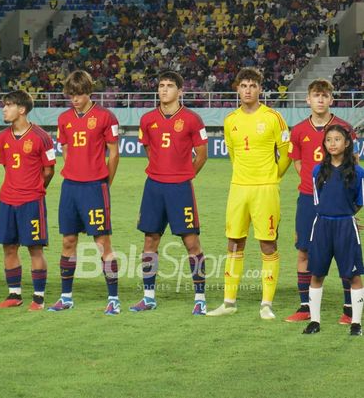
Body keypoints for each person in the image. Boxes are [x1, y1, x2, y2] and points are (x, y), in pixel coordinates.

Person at [207, 68, 291, 319]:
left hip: (265, 189)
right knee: (233, 242)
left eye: (253, 85)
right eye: (243, 85)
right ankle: (229, 302)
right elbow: (233, 155)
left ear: (260, 89)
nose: (248, 90)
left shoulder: (274, 117)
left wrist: (273, 176)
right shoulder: (230, 119)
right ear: (237, 88)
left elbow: (286, 152)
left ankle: (266, 304)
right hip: (238, 189)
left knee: (267, 243)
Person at [131, 71, 209, 315]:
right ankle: (148, 296)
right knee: (150, 240)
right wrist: (160, 171)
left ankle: (200, 298)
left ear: (180, 91)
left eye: (169, 86)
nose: (164, 90)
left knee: (191, 242)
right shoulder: (147, 119)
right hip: (154, 186)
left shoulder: (192, 119)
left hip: (180, 188)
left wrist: (184, 175)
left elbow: (202, 154)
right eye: (161, 86)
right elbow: (149, 150)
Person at [49, 70, 121, 315]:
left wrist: (104, 183)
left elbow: (114, 154)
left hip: (94, 187)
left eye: (79, 94)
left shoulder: (105, 117)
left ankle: (113, 298)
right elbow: (66, 151)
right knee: (68, 241)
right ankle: (66, 297)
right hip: (70, 187)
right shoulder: (64, 119)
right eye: (71, 95)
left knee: (102, 243)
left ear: (89, 92)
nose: (75, 99)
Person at [286, 79, 357, 324]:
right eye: (315, 95)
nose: (320, 100)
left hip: (338, 202)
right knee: (304, 249)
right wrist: (313, 184)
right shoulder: (298, 130)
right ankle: (305, 306)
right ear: (308, 99)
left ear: (331, 100)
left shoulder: (343, 127)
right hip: (307, 198)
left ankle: (349, 310)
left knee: (344, 252)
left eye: (324, 96)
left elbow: (353, 163)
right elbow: (297, 162)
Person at [0, 90, 56, 311]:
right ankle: (14, 294)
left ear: (21, 109)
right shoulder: (2, 138)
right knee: (9, 247)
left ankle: (38, 298)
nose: (4, 108)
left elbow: (49, 171)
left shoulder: (41, 137)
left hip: (31, 201)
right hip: (7, 200)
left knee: (34, 249)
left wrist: (35, 189)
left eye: (8, 105)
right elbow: (5, 165)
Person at [302, 124, 364, 336]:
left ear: (347, 143)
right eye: (329, 140)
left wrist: (347, 216)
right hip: (322, 226)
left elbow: (359, 201)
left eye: (337, 139)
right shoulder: (318, 170)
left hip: (346, 227)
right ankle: (314, 321)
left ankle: (356, 323)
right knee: (317, 274)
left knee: (353, 275)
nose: (333, 143)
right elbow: (318, 200)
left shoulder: (358, 172)